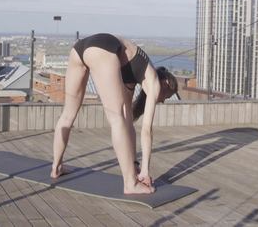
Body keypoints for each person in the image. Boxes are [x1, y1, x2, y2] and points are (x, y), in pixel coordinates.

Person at [50, 33, 178, 194]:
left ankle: (56, 167)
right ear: (166, 83)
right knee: (116, 118)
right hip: (103, 47)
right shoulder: (153, 81)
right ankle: (130, 184)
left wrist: (135, 164)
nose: (164, 101)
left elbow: (129, 122)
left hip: (81, 48)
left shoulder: (133, 76)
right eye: (167, 96)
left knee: (68, 114)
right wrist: (145, 170)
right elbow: (146, 130)